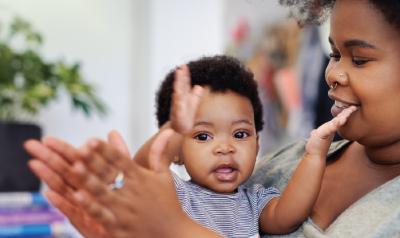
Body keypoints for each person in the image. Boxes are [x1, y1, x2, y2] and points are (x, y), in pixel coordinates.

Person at [25, 0, 400, 237]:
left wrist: (175, 229)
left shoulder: (257, 199)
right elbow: (147, 176)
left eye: (360, 59)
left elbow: (283, 216)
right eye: (334, 54)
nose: (332, 74)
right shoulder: (285, 161)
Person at [26, 55, 355, 237]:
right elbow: (144, 170)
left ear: (258, 140)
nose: (225, 148)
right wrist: (173, 129)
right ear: (177, 152)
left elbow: (288, 215)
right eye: (202, 136)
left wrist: (315, 153)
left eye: (240, 135)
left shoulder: (253, 203)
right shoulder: (174, 192)